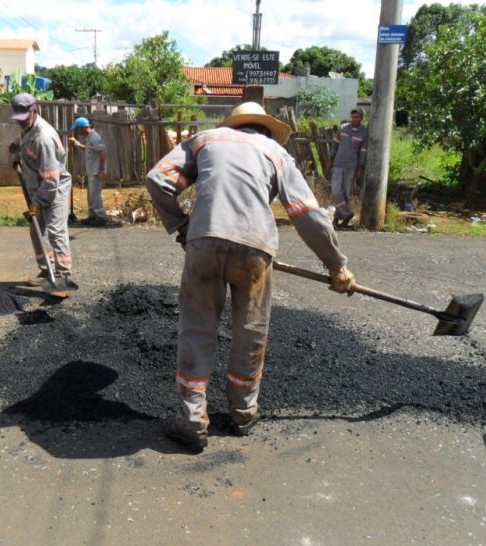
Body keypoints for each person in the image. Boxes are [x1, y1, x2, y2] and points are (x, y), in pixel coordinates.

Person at [145, 102, 357, 452]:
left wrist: (181, 226)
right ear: (266, 130)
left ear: (236, 124)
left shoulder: (206, 140)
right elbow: (308, 215)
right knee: (251, 329)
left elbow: (157, 180)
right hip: (255, 247)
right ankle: (243, 412)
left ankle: (192, 419)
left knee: (197, 329)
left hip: (205, 240)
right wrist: (337, 266)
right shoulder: (275, 153)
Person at [9, 93, 77, 292]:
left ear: (34, 111)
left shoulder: (44, 138)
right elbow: (24, 140)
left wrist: (36, 203)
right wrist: (16, 148)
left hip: (53, 190)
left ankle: (63, 275)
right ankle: (47, 271)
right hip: (37, 188)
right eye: (18, 119)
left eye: (24, 118)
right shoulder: (27, 128)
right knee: (36, 230)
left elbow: (50, 182)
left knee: (56, 232)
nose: (20, 123)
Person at [326, 108, 368, 229]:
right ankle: (346, 214)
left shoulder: (364, 132)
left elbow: (363, 151)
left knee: (346, 193)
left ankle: (337, 220)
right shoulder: (344, 128)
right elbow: (335, 144)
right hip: (338, 164)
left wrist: (361, 168)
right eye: (353, 117)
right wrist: (331, 160)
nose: (355, 119)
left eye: (357, 117)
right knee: (336, 191)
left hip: (352, 166)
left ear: (361, 118)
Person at [68, 117, 108, 226]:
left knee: (95, 196)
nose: (77, 131)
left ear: (83, 127)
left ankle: (101, 218)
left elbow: (102, 151)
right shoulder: (89, 138)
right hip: (92, 172)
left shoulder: (95, 137)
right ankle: (92, 216)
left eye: (77, 129)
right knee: (90, 196)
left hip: (97, 172)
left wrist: (102, 169)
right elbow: (89, 149)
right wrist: (77, 144)